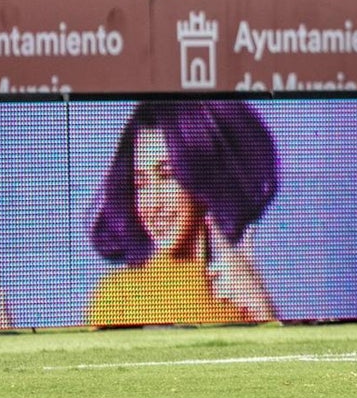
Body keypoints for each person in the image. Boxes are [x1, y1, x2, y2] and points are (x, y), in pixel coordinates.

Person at [86, 100, 278, 327]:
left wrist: (261, 307)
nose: (152, 203)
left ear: (206, 175)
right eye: (140, 183)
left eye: (167, 176)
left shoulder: (240, 286)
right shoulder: (120, 297)